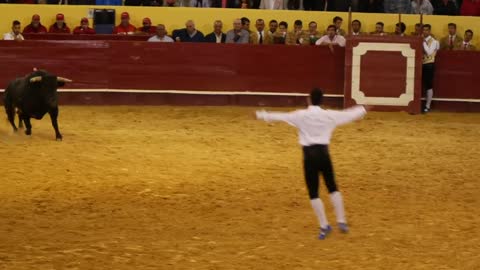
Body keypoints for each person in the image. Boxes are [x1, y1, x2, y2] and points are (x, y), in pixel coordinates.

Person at [255, 88, 369, 240]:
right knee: (332, 187)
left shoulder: (301, 115)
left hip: (309, 157)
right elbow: (348, 114)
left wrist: (260, 114)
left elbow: (280, 116)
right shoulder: (329, 115)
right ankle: (342, 221)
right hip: (324, 155)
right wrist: (362, 109)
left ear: (309, 99)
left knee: (313, 192)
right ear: (322, 100)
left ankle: (324, 226)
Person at [422, 24, 439, 113]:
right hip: (420, 64)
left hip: (429, 64)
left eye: (426, 30)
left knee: (428, 85)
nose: (425, 31)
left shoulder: (434, 41)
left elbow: (429, 52)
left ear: (429, 31)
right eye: (423, 30)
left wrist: (423, 42)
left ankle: (427, 106)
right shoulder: (420, 39)